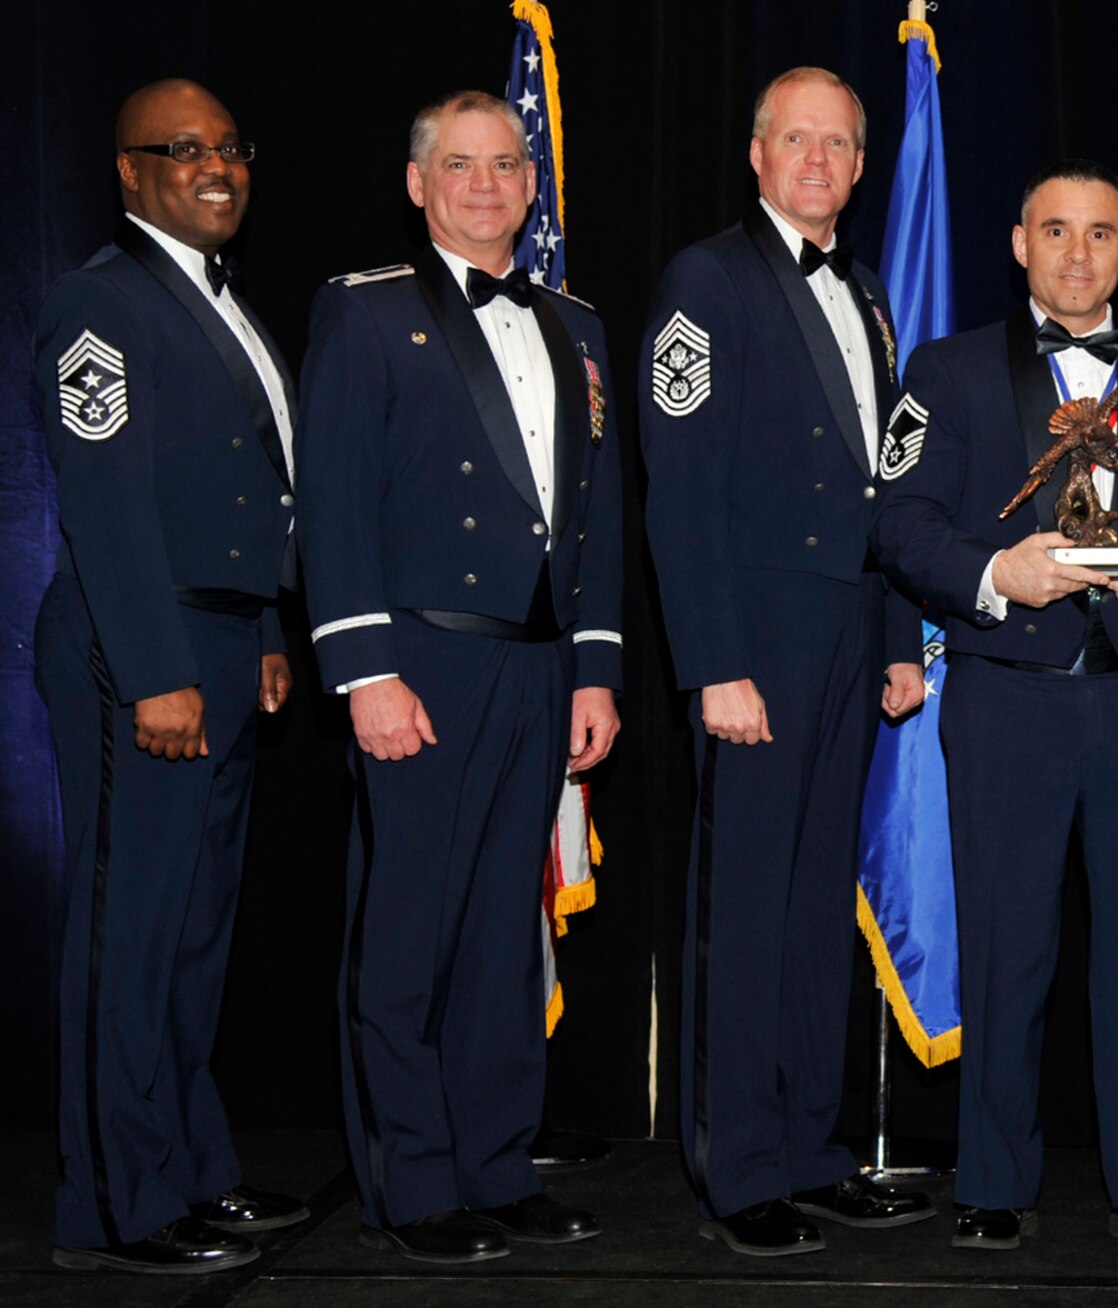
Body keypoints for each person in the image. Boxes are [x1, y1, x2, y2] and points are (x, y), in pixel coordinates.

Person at [872, 160, 1118, 1254]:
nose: (1076, 254)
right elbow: (898, 520)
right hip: (1007, 701)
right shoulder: (944, 372)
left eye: (1099, 233)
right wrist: (995, 575)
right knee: (1004, 949)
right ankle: (992, 1179)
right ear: (1019, 245)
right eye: (1054, 231)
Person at [296, 90, 623, 1264]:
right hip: (419, 663)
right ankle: (412, 1183)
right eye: (461, 166)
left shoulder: (578, 326)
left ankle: (496, 1163)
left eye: (505, 166)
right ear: (418, 184)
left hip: (537, 673)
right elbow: (331, 504)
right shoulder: (366, 315)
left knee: (501, 934)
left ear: (529, 188)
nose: (485, 185)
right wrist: (363, 670)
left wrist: (594, 668)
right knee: (409, 937)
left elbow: (597, 518)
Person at [639, 66, 930, 1258]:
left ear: (860, 169)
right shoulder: (704, 282)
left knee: (818, 906)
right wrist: (713, 661)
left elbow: (891, 490)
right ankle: (736, 1167)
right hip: (753, 643)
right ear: (757, 156)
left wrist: (901, 635)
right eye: (795, 140)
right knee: (750, 909)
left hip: (849, 639)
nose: (816, 161)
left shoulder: (865, 294)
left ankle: (811, 1150)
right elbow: (682, 494)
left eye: (837, 145)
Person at [36, 78, 306, 1275]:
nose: (216, 167)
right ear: (128, 170)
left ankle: (193, 1170)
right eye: (182, 149)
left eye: (230, 148)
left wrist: (258, 637)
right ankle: (120, 1205)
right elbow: (107, 506)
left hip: (217, 644)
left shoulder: (216, 301)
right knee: (128, 939)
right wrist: (155, 672)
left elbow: (248, 495)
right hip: (133, 652)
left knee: (194, 938)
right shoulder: (101, 306)